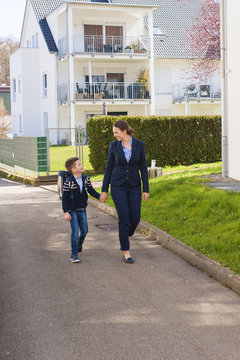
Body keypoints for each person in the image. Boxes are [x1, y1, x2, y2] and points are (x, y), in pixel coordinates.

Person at [101, 120, 149, 264]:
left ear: (124, 131)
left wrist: (145, 189)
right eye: (114, 133)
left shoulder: (139, 145)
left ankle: (125, 235)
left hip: (134, 186)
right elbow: (108, 168)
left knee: (135, 218)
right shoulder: (114, 146)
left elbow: (143, 168)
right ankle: (126, 251)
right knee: (124, 218)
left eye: (116, 132)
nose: (115, 135)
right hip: (118, 186)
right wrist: (104, 190)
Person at [62, 157, 105, 263]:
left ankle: (80, 243)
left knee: (85, 231)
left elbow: (91, 190)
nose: (82, 165)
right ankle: (74, 254)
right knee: (75, 232)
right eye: (79, 164)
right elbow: (65, 198)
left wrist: (100, 196)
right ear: (74, 169)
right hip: (72, 210)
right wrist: (66, 212)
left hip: (82, 210)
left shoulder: (86, 179)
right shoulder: (69, 182)